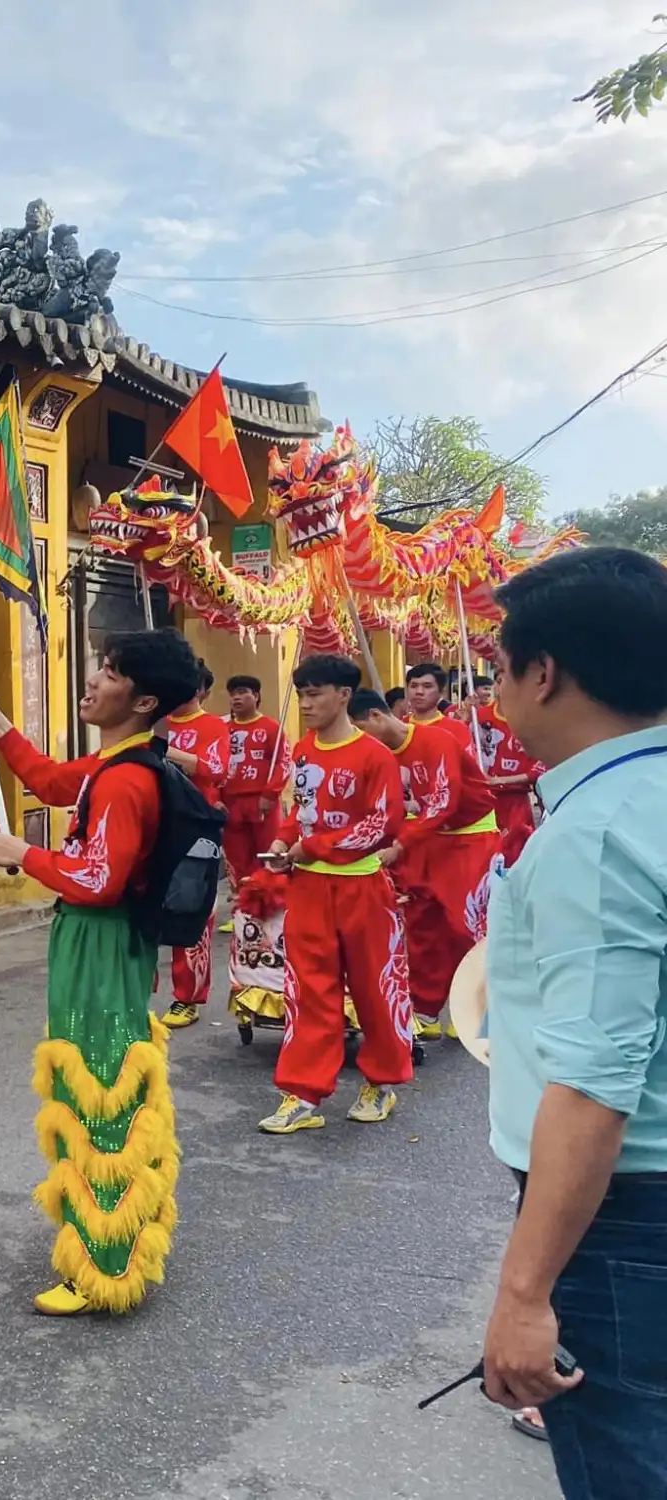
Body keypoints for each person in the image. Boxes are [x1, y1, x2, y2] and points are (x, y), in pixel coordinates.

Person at [477, 548, 667, 1499]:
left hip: (627, 1214)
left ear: (543, 672)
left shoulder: (594, 832)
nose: (494, 689)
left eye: (498, 666)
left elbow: (596, 1082)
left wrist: (525, 1294)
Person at [0, 630, 199, 1317]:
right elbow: (47, 781)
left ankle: (105, 1262)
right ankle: (119, 1235)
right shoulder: (117, 763)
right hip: (99, 939)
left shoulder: (128, 781)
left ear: (144, 699)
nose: (93, 680)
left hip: (100, 941)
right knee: (102, 1080)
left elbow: (98, 878)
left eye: (109, 672)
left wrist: (24, 855)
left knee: (99, 1089)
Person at [259, 654, 413, 1134]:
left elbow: (379, 825)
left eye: (315, 694)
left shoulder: (375, 756)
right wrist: (284, 842)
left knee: (373, 988)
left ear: (344, 695)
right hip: (308, 889)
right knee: (308, 991)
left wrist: (313, 846)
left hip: (362, 888)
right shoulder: (303, 750)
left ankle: (381, 1082)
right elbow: (297, 808)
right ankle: (302, 1094)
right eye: (302, 694)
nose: (305, 704)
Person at [352, 688, 500, 1041]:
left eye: (359, 729)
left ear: (375, 716)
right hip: (425, 840)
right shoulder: (376, 754)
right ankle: (426, 1010)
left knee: (467, 926)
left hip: (469, 839)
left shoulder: (437, 740)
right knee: (423, 926)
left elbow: (443, 801)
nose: (358, 739)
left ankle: (480, 1010)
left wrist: (401, 844)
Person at [159, 663, 230, 1029]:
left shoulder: (212, 726)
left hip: (194, 827)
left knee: (190, 912)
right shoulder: (156, 720)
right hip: (154, 824)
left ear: (202, 690)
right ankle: (139, 991)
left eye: (191, 684)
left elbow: (216, 769)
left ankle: (188, 997)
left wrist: (165, 752)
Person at [222, 674, 290, 886]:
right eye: (233, 694)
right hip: (231, 803)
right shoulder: (223, 730)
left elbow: (284, 763)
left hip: (262, 802)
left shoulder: (271, 728)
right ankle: (243, 907)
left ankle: (270, 902)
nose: (236, 698)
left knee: (268, 854)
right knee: (237, 858)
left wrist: (270, 794)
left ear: (256, 696)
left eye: (242, 693)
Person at [473, 692, 544, 866]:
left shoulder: (533, 719)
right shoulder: (478, 716)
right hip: (483, 801)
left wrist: (500, 781)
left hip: (515, 803)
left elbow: (539, 769)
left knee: (515, 858)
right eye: (499, 679)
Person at [405, 661, 478, 762]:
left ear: (441, 692)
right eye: (414, 686)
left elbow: (470, 771)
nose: (419, 692)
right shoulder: (399, 725)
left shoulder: (457, 729)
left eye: (427, 686)